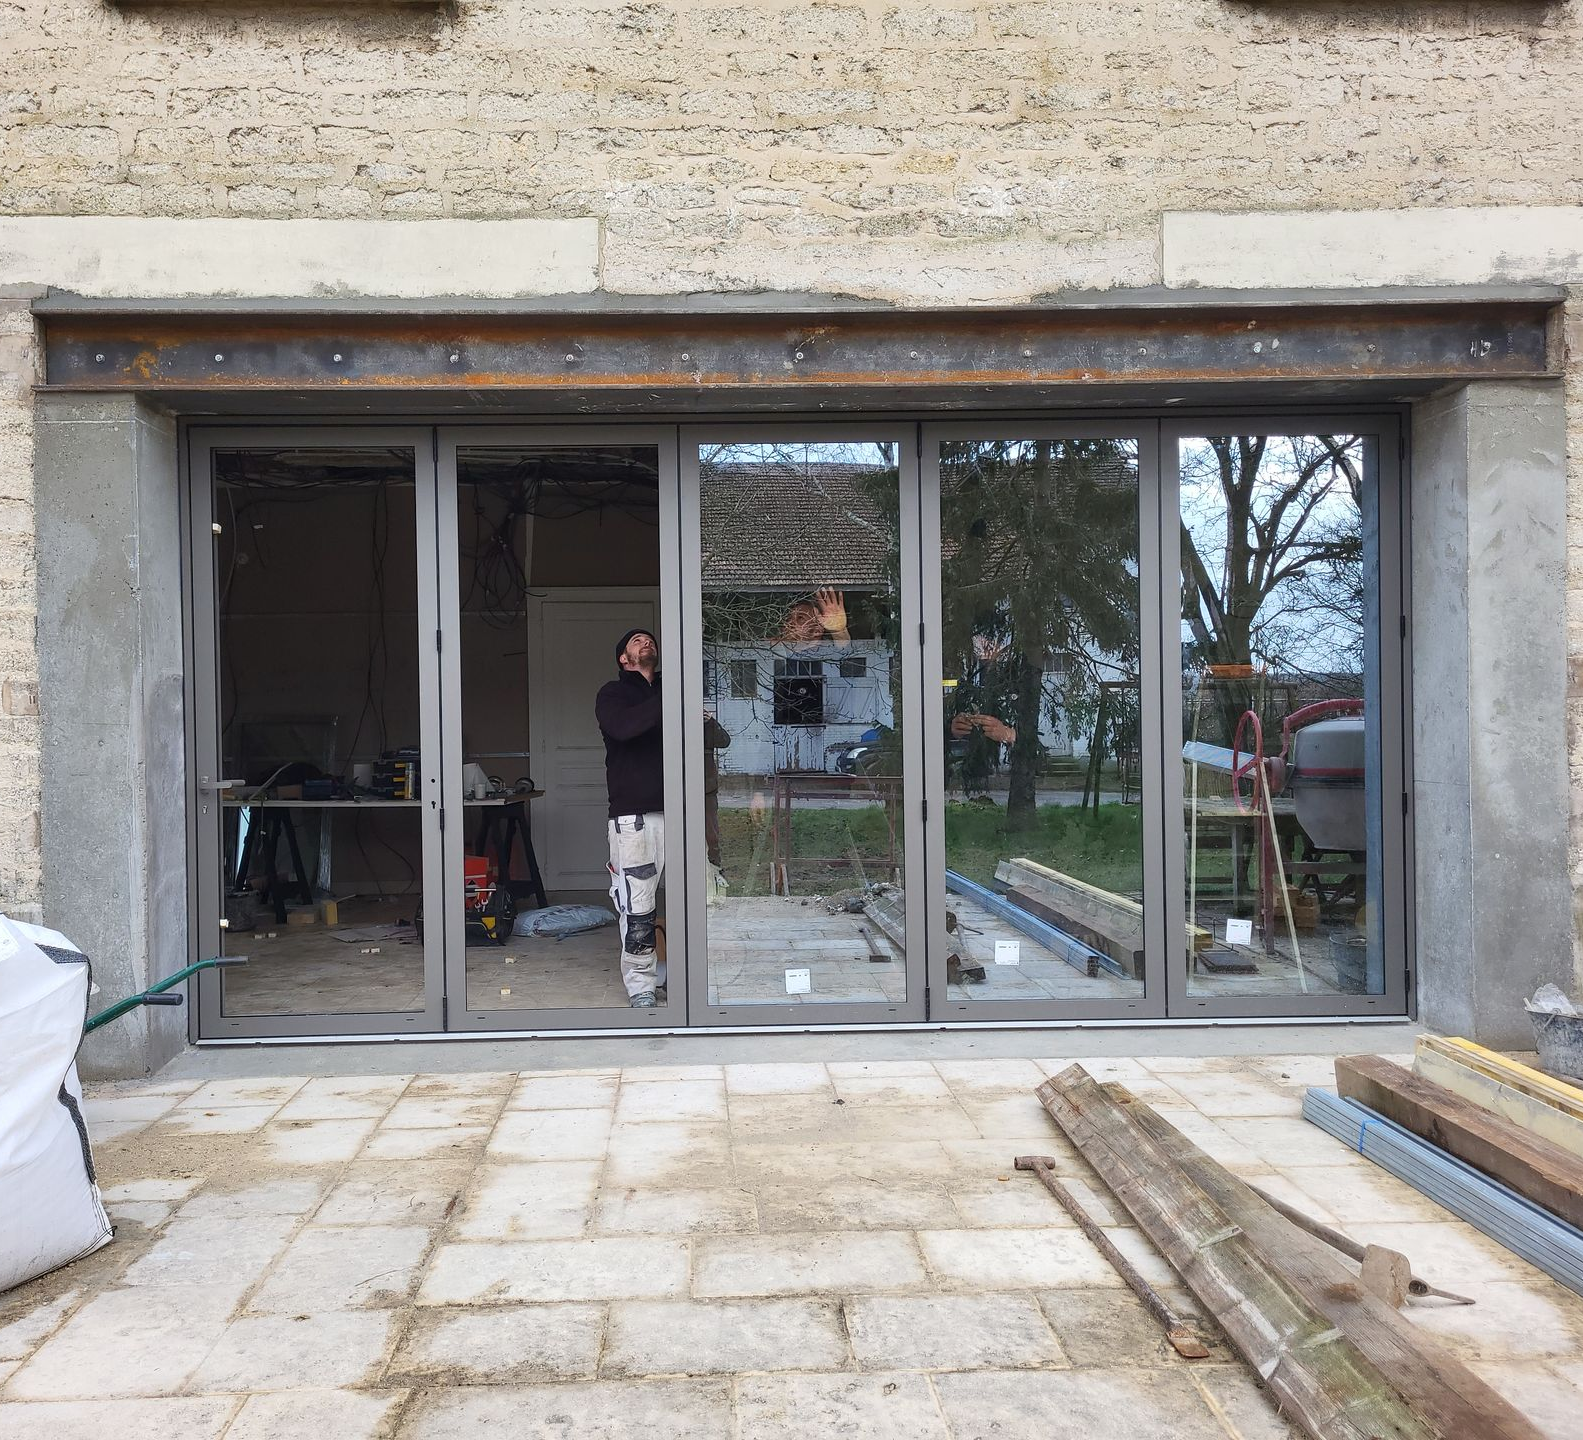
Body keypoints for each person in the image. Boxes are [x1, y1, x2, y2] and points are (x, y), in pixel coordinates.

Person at [595, 627, 665, 1008]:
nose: (646, 642)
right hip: (632, 820)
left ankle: (684, 978)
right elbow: (624, 728)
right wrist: (669, 698)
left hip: (680, 813)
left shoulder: (671, 691)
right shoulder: (613, 694)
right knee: (637, 907)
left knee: (696, 900)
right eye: (636, 641)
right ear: (624, 658)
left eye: (649, 639)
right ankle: (641, 988)